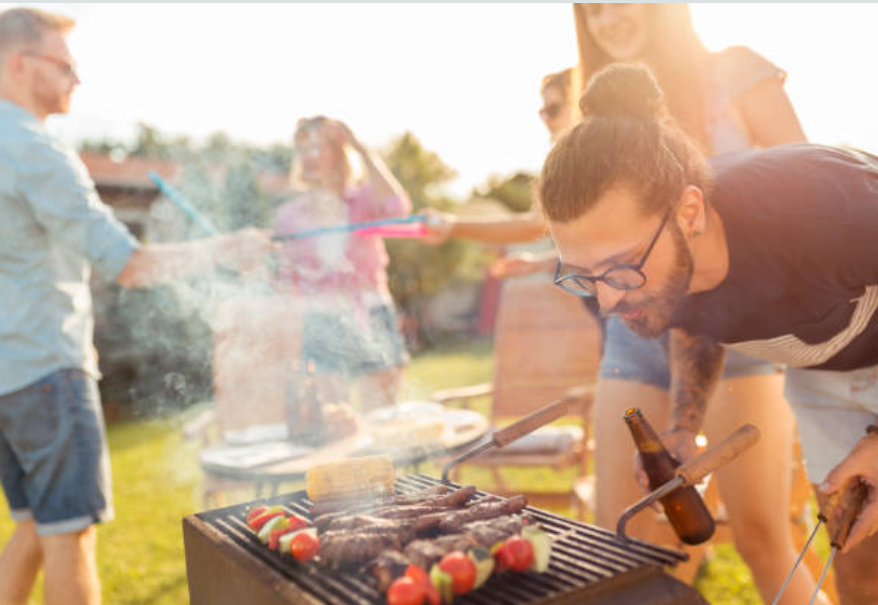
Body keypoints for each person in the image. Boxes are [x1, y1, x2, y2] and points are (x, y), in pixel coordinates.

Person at [540, 62, 878, 605]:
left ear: (689, 211)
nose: (607, 301)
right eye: (583, 276)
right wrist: (683, 426)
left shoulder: (821, 204)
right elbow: (699, 323)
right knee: (861, 569)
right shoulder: (654, 269)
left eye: (620, 267)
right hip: (824, 371)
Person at [0, 8, 271, 605]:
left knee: (33, 526)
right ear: (18, 64)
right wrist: (229, 246)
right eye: (65, 67)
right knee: (71, 538)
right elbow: (130, 264)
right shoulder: (34, 150)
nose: (76, 81)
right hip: (47, 371)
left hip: (7, 380)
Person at [569, 5, 818, 604]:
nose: (607, 19)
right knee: (629, 546)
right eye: (590, 9)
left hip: (741, 337)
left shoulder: (735, 72)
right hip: (638, 340)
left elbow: (805, 179)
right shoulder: (594, 118)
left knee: (762, 535)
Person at [274, 116, 411, 411]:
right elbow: (285, 279)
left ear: (338, 151)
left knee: (384, 419)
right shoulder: (289, 215)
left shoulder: (363, 199)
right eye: (302, 149)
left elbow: (398, 211)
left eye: (316, 147)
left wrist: (362, 149)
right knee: (333, 421)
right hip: (320, 319)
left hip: (371, 311)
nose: (307, 157)